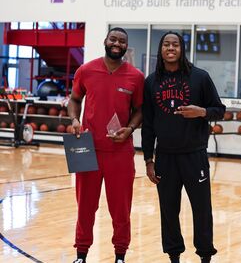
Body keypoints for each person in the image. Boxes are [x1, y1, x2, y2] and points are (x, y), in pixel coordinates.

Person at [141, 32, 225, 263]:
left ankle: (205, 256)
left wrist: (202, 112)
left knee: (202, 210)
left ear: (181, 49)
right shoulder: (151, 82)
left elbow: (220, 109)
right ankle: (174, 256)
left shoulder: (199, 77)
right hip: (165, 157)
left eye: (175, 44)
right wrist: (149, 159)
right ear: (161, 49)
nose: (170, 48)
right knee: (169, 211)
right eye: (166, 44)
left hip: (194, 155)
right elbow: (147, 124)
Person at [68, 27, 144, 263]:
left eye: (122, 41)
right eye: (113, 39)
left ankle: (120, 255)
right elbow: (74, 99)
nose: (117, 43)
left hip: (120, 151)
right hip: (87, 147)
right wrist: (74, 119)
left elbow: (140, 110)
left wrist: (129, 129)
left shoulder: (136, 77)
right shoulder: (86, 70)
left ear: (126, 46)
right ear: (105, 41)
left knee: (120, 209)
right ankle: (81, 254)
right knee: (85, 207)